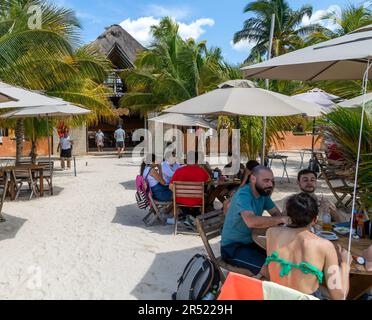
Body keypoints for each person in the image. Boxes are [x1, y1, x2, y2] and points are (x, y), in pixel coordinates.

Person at [266, 193, 351, 299]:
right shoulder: (325, 246)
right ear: (315, 220)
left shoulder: (271, 233)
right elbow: (339, 296)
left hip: (276, 295)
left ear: (287, 215)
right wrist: (345, 264)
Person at [221, 166, 289, 275]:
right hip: (232, 248)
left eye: (272, 181)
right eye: (266, 181)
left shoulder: (263, 194)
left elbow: (276, 214)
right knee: (272, 271)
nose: (270, 185)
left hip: (252, 242)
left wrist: (286, 213)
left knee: (282, 259)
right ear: (253, 179)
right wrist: (280, 219)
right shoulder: (244, 195)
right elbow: (251, 221)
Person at [169, 151, 211, 218]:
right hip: (197, 200)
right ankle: (193, 216)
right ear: (197, 161)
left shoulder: (178, 171)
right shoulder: (201, 171)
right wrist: (202, 168)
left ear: (186, 160)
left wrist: (180, 193)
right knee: (206, 195)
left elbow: (170, 187)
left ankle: (188, 216)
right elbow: (209, 179)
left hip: (181, 200)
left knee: (179, 199)